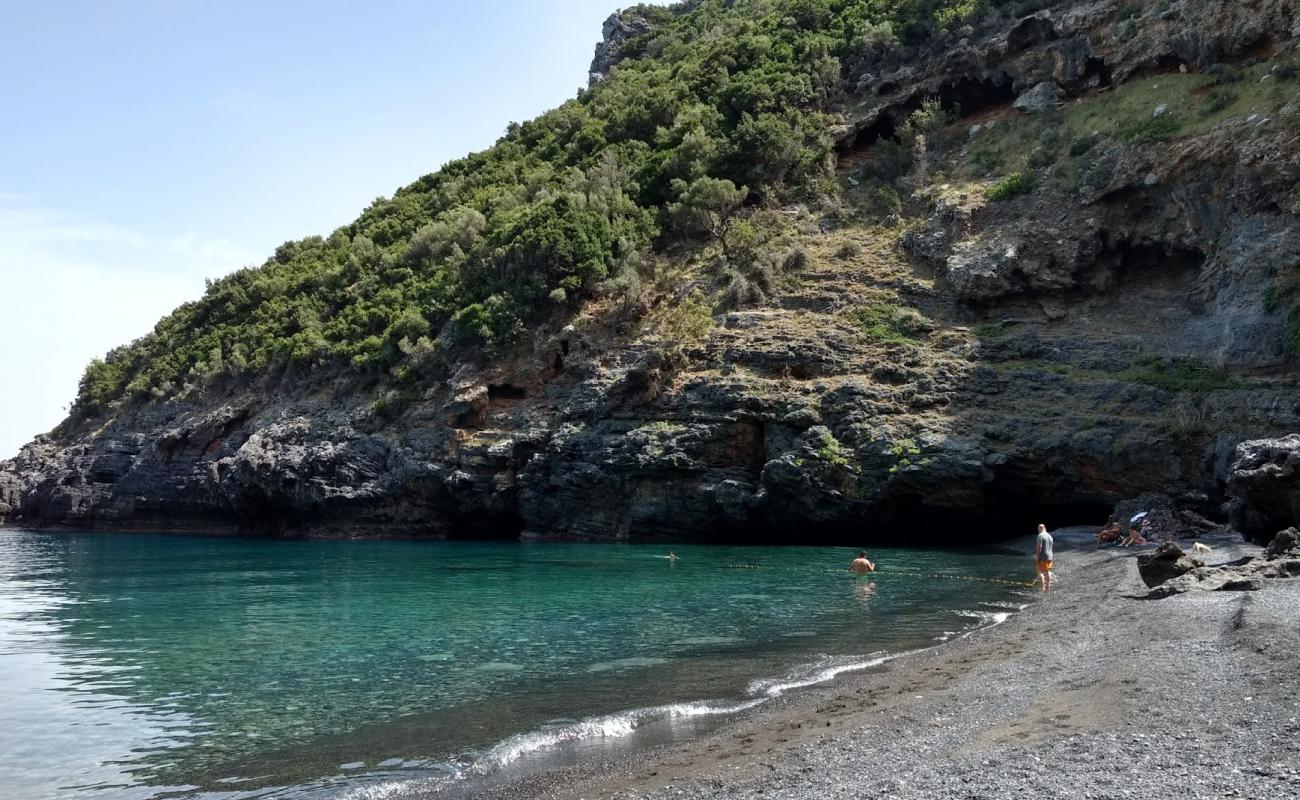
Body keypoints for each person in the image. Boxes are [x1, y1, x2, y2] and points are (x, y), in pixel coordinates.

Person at [1035, 524, 1054, 592]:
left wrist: (1037, 556)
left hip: (1043, 556)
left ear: (1039, 529)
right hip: (1050, 556)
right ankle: (1048, 586)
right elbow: (1051, 547)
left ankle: (1042, 587)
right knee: (1048, 570)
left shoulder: (1040, 535)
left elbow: (1039, 547)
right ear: (1045, 528)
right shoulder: (1050, 536)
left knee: (1039, 570)